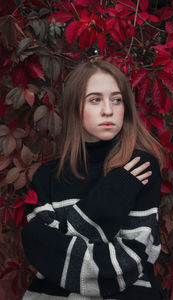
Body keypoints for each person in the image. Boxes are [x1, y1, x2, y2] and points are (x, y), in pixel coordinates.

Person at [22, 60, 163, 300]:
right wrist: (109, 198)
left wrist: (63, 247)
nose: (108, 110)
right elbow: (38, 247)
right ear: (74, 107)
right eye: (95, 99)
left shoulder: (139, 167)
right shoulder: (46, 176)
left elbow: (128, 261)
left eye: (116, 100)